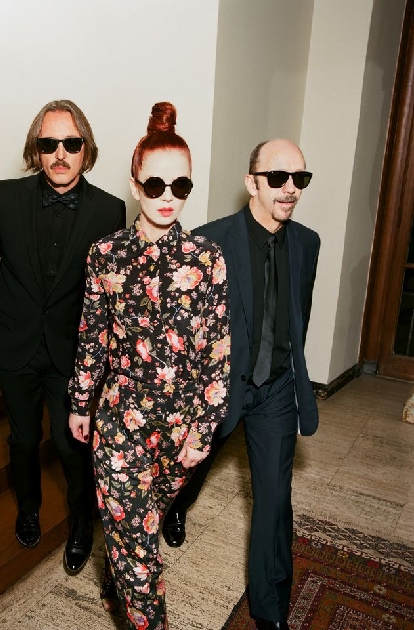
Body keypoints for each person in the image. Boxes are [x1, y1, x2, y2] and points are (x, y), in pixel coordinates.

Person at [68, 102, 230, 630]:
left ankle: (122, 571)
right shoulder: (105, 254)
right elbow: (92, 335)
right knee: (137, 547)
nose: (167, 197)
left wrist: (203, 432)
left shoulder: (207, 259)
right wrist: (81, 402)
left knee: (140, 526)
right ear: (136, 185)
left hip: (182, 429)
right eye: (156, 185)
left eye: (180, 186)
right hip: (120, 421)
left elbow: (217, 353)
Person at [162, 138, 320, 630]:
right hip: (219, 387)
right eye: (278, 177)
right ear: (252, 182)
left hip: (275, 390)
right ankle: (175, 509)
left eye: (299, 178)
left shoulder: (307, 244)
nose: (290, 188)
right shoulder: (209, 243)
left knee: (274, 500)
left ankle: (269, 611)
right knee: (185, 470)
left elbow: (298, 315)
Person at [0, 100, 126, 573]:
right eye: (49, 144)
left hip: (72, 353)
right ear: (36, 150)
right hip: (15, 346)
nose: (60, 153)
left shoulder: (110, 210)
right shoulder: (3, 198)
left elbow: (110, 297)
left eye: (71, 143)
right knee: (23, 439)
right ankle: (29, 507)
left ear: (86, 148)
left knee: (70, 445)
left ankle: (82, 521)